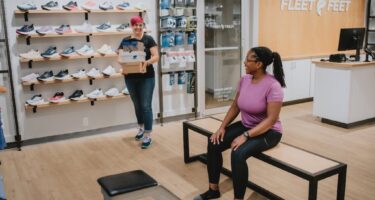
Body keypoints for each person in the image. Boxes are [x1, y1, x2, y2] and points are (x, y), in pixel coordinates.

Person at [194, 47, 286, 200]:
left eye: (248, 60)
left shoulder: (273, 86)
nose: (244, 62)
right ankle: (213, 190)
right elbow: (235, 106)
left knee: (238, 153)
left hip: (269, 132)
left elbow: (271, 120)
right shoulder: (245, 80)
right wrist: (221, 127)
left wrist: (246, 135)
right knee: (214, 142)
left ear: (259, 64)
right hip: (247, 125)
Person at [118, 16, 159, 149]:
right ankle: (141, 128)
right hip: (130, 77)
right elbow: (120, 57)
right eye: (136, 25)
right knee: (137, 104)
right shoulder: (126, 40)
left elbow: (156, 56)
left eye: (140, 25)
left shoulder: (148, 39)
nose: (138, 27)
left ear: (143, 26)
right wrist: (123, 66)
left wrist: (146, 63)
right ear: (132, 26)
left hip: (147, 77)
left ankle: (147, 135)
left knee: (146, 105)